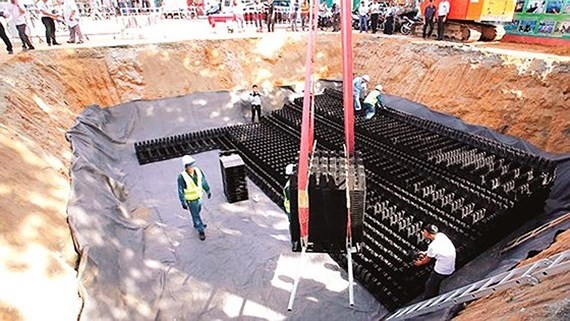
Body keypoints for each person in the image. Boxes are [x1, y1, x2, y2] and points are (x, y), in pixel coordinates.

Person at [414, 224, 456, 299]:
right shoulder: (441, 235)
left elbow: (426, 261)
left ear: (427, 233)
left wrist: (419, 263)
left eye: (424, 232)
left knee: (430, 285)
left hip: (442, 270)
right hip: (451, 265)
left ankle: (429, 301)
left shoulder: (433, 246)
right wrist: (425, 252)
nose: (423, 233)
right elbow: (434, 250)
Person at [178, 155, 212, 241]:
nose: (193, 167)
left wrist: (207, 190)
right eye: (191, 165)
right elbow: (180, 190)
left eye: (193, 164)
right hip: (191, 200)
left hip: (199, 197)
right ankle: (201, 230)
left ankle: (196, 223)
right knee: (196, 214)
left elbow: (203, 181)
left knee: (197, 211)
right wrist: (183, 202)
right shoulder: (182, 177)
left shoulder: (198, 171)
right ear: (186, 167)